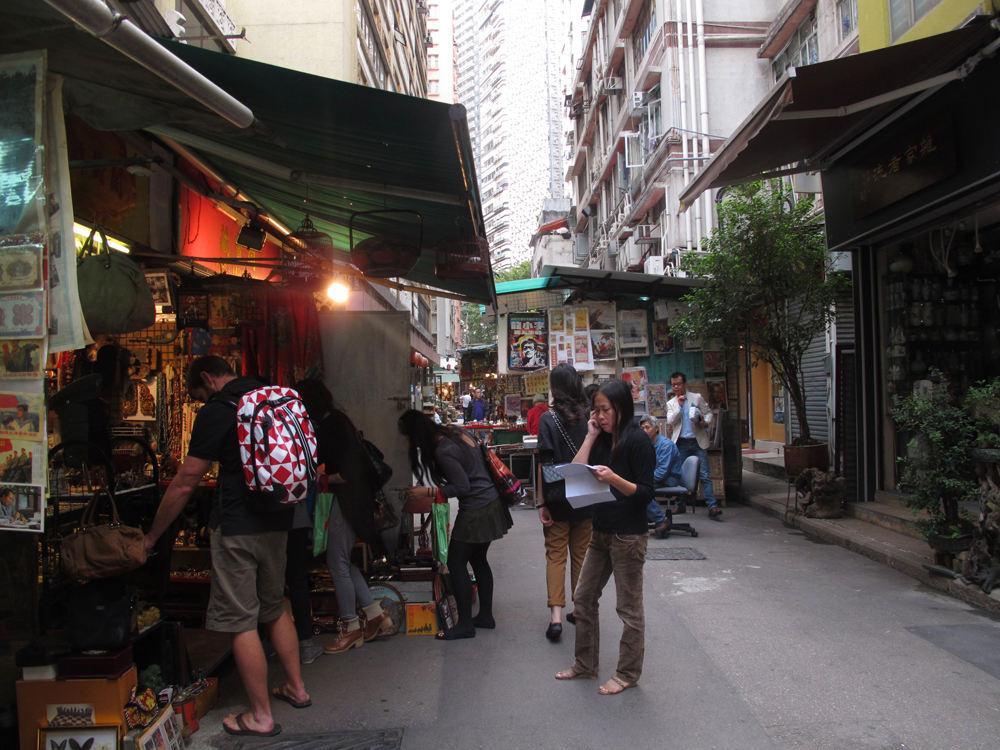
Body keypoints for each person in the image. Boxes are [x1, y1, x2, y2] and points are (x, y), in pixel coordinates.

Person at [144, 356, 309, 737]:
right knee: (274, 608)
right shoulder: (270, 394)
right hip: (280, 518)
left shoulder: (219, 411)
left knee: (240, 620)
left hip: (237, 526)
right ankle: (297, 689)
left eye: (198, 396)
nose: (200, 403)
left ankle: (261, 716)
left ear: (206, 378)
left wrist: (153, 535)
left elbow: (186, 482)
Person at [556, 379, 655, 695]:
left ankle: (627, 674)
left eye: (604, 409)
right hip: (600, 531)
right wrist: (590, 435)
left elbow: (646, 493)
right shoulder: (600, 438)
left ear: (621, 408)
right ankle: (585, 665)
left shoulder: (637, 440)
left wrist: (614, 479)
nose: (599, 415)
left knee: (628, 609)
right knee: (583, 597)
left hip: (628, 537)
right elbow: (574, 472)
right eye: (595, 410)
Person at [294, 379, 393, 654]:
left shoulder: (328, 427)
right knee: (341, 562)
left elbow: (348, 472)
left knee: (336, 564)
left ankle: (350, 627)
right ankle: (375, 615)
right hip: (355, 501)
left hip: (348, 502)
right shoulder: (339, 420)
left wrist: (322, 477)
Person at [399, 409, 512, 640]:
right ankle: (485, 616)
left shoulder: (443, 449)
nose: (410, 443)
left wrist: (426, 492)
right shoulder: (453, 430)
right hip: (491, 502)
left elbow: (462, 487)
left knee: (456, 561)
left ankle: (465, 625)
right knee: (478, 559)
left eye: (409, 438)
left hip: (477, 509)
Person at [535, 364, 592, 641]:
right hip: (585, 495)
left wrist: (541, 502)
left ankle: (556, 618)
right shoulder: (590, 416)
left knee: (555, 555)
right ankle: (580, 611)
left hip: (557, 497)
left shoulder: (548, 419)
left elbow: (543, 462)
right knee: (581, 554)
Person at [665, 372, 721, 518]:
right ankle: (680, 505)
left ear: (685, 384)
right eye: (673, 384)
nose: (676, 387)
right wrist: (680, 407)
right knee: (680, 474)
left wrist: (705, 422)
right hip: (681, 443)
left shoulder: (696, 397)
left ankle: (712, 506)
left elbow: (708, 413)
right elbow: (670, 421)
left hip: (697, 442)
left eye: (679, 383)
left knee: (704, 475)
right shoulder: (671, 403)